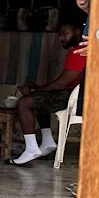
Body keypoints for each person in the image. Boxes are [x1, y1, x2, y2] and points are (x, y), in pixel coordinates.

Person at [11, 19, 87, 165]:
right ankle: (47, 141)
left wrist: (34, 90)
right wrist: (38, 89)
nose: (61, 38)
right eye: (59, 34)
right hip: (73, 95)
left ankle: (31, 148)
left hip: (74, 98)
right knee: (39, 98)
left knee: (25, 102)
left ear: (77, 32)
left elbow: (60, 84)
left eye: (64, 33)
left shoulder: (78, 52)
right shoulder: (78, 51)